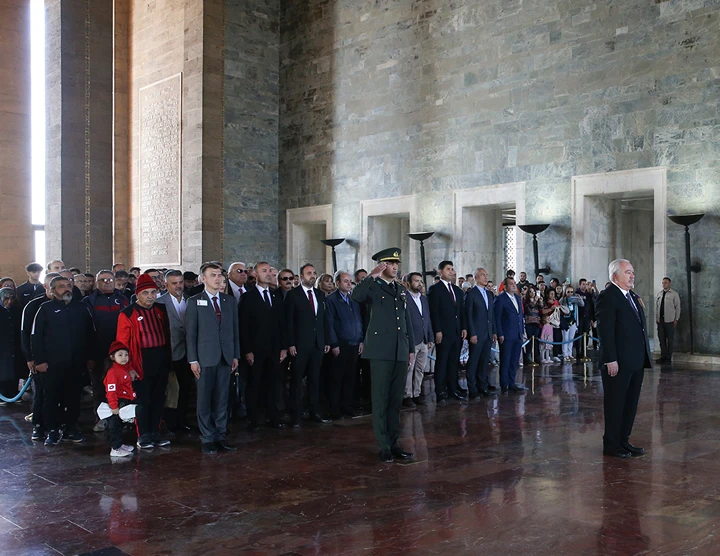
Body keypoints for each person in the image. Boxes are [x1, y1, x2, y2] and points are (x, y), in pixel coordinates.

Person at [352, 248, 415, 463]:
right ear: (381, 265)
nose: (395, 267)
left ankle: (394, 443)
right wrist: (371, 276)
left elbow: (406, 321)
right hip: (380, 350)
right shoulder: (373, 286)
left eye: (396, 263)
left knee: (395, 401)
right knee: (380, 400)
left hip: (399, 350)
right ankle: (383, 446)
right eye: (390, 263)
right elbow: (356, 296)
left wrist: (411, 349)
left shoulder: (400, 289)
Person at [597, 259, 652, 458]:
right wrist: (610, 359)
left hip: (635, 361)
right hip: (617, 363)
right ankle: (611, 444)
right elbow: (605, 330)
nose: (632, 275)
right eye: (628, 272)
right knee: (615, 403)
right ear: (615, 277)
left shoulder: (632, 296)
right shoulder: (608, 296)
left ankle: (623, 440)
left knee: (630, 404)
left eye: (632, 272)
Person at [31, 276, 95, 445]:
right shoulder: (45, 309)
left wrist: (90, 357)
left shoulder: (81, 308)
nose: (66, 289)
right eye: (61, 286)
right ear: (52, 290)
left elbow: (90, 334)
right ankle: (52, 430)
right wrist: (40, 361)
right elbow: (36, 337)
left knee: (73, 397)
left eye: (68, 285)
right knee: (52, 397)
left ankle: (71, 428)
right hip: (52, 364)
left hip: (76, 362)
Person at [185, 262, 240, 454]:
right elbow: (190, 334)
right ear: (203, 279)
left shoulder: (229, 301)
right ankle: (207, 438)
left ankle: (220, 435)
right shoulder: (194, 301)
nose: (219, 279)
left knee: (222, 399)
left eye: (220, 275)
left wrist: (235, 355)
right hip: (204, 358)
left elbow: (235, 330)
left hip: (226, 358)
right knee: (204, 400)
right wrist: (193, 360)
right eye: (213, 275)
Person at [116, 274, 172, 450]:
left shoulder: (160, 309)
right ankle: (143, 435)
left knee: (158, 398)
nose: (150, 296)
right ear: (138, 294)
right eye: (146, 293)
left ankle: (156, 432)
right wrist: (128, 367)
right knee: (143, 400)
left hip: (160, 359)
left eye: (153, 292)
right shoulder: (127, 313)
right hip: (140, 361)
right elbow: (122, 344)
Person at [238, 262, 287, 431]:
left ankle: (273, 417)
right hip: (256, 350)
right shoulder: (248, 297)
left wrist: (283, 347)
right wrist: (248, 350)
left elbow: (282, 323)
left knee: (273, 384)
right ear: (256, 275)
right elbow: (244, 326)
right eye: (263, 271)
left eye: (269, 271)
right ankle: (253, 420)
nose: (268, 274)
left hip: (274, 349)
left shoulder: (276, 296)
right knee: (254, 385)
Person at [284, 263, 331, 426]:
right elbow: (288, 321)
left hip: (318, 344)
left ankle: (314, 412)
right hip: (299, 344)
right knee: (297, 381)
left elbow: (324, 319)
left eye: (314, 273)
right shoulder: (293, 295)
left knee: (314, 380)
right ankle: (296, 415)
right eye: (308, 273)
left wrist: (326, 340)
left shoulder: (319, 294)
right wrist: (290, 343)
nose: (312, 275)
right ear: (301, 276)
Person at [83, 270, 130, 431]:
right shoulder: (90, 301)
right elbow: (87, 329)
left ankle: (122, 418)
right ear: (97, 283)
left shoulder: (123, 300)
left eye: (110, 279)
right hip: (98, 351)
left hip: (120, 353)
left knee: (122, 385)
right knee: (99, 387)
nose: (107, 282)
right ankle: (101, 418)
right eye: (103, 280)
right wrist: (90, 354)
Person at [20, 272, 59, 440]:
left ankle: (56, 425)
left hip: (60, 358)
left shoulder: (68, 304)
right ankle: (38, 425)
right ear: (45, 286)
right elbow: (25, 333)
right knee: (41, 393)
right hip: (39, 358)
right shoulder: (32, 306)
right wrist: (30, 358)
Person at [155, 270, 192, 432]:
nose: (178, 286)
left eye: (180, 282)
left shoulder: (191, 300)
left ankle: (182, 421)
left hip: (189, 352)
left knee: (186, 388)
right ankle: (169, 423)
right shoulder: (159, 303)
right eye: (174, 283)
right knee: (171, 391)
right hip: (170, 353)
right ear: (166, 284)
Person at [325, 271, 363, 419]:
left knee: (350, 378)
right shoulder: (331, 300)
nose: (349, 284)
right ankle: (335, 409)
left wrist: (361, 340)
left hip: (354, 344)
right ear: (337, 283)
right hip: (340, 344)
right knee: (336, 378)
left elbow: (358, 320)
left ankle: (347, 406)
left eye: (350, 281)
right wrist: (334, 343)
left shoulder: (354, 299)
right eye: (345, 281)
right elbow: (330, 324)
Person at [428, 260, 467, 402]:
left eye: (452, 269)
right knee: (442, 362)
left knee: (453, 362)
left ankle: (453, 389)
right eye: (448, 269)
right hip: (443, 333)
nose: (452, 271)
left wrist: (463, 327)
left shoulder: (457, 290)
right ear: (441, 272)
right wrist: (437, 330)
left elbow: (461, 312)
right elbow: (435, 312)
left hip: (456, 332)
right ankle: (440, 391)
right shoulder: (435, 289)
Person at [465, 267, 497, 398]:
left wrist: (494, 331)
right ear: (476, 277)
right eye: (482, 275)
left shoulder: (489, 294)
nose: (485, 277)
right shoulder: (471, 294)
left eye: (486, 274)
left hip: (488, 334)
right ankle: (472, 389)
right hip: (477, 334)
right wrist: (472, 333)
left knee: (484, 362)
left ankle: (482, 386)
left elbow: (491, 315)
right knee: (473, 362)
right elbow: (469, 315)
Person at [104, 341, 138, 457]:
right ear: (112, 357)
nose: (124, 357)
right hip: (117, 403)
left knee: (120, 425)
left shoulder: (123, 369)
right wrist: (114, 406)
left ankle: (119, 444)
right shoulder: (113, 372)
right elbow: (111, 391)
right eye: (120, 355)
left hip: (124, 401)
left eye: (126, 355)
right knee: (115, 425)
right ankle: (115, 448)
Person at [403, 272, 433, 407]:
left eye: (421, 281)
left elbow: (427, 319)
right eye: (416, 281)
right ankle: (407, 395)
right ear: (409, 283)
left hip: (424, 339)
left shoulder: (424, 299)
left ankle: (417, 393)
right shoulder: (404, 298)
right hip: (412, 339)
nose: (420, 284)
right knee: (409, 369)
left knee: (420, 368)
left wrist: (430, 337)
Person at [494, 277, 527, 393]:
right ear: (505, 286)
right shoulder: (500, 299)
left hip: (517, 334)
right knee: (505, 360)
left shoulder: (518, 298)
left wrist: (522, 332)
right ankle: (504, 385)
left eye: (514, 283)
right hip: (506, 335)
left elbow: (520, 316)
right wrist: (500, 333)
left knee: (514, 360)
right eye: (511, 284)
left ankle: (511, 382)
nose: (514, 285)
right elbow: (497, 318)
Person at [655, 277, 680, 364]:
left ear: (669, 283)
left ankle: (669, 357)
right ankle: (663, 356)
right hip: (660, 321)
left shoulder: (674, 294)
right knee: (661, 339)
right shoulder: (659, 294)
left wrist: (676, 319)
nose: (664, 284)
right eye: (663, 283)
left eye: (665, 283)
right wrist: (656, 318)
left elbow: (677, 307)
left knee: (670, 339)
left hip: (670, 321)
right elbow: (657, 307)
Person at [0, 288, 19, 402]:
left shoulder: (16, 310)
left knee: (14, 370)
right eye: (6, 298)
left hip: (13, 346)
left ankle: (13, 392)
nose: (10, 301)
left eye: (12, 298)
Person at [559, 286, 584, 362]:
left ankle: (569, 354)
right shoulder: (562, 300)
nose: (570, 293)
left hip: (573, 320)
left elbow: (582, 304)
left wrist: (580, 299)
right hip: (565, 321)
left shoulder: (575, 299)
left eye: (571, 292)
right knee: (565, 338)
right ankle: (565, 354)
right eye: (568, 292)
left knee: (571, 338)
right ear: (565, 292)